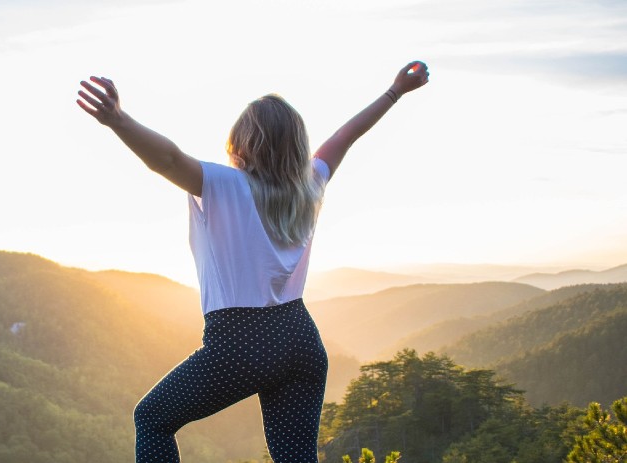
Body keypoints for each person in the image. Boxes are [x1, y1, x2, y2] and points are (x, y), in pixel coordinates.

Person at [77, 61, 429, 463]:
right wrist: (394, 92)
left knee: (153, 418)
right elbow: (343, 138)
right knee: (295, 457)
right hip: (300, 339)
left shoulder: (225, 184)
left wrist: (119, 121)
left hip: (241, 341)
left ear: (241, 141)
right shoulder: (309, 184)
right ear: (296, 146)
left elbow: (169, 160)